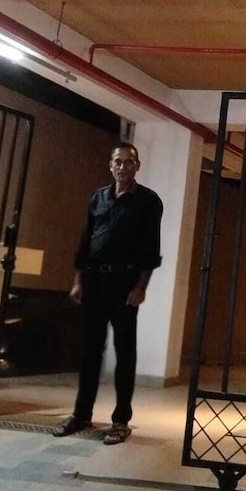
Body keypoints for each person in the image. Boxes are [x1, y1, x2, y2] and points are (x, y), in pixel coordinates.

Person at [52, 142, 163, 445]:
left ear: (137, 166)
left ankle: (120, 421)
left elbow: (151, 250)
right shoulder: (97, 198)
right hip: (94, 282)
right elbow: (85, 242)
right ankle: (81, 415)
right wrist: (78, 281)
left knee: (125, 352)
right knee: (90, 350)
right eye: (118, 161)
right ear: (110, 165)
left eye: (129, 162)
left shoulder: (149, 202)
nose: (123, 167)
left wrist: (140, 287)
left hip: (125, 285)